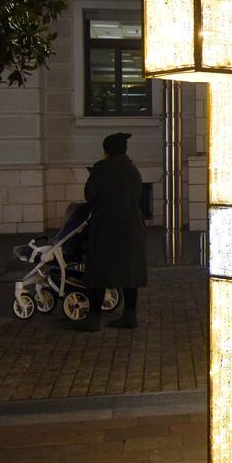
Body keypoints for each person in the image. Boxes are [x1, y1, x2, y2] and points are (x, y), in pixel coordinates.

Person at [74, 132, 148, 332]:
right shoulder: (132, 169)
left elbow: (89, 195)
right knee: (129, 272)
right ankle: (130, 315)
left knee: (99, 271)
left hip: (106, 227)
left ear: (106, 150)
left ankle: (93, 318)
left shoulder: (101, 168)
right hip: (131, 227)